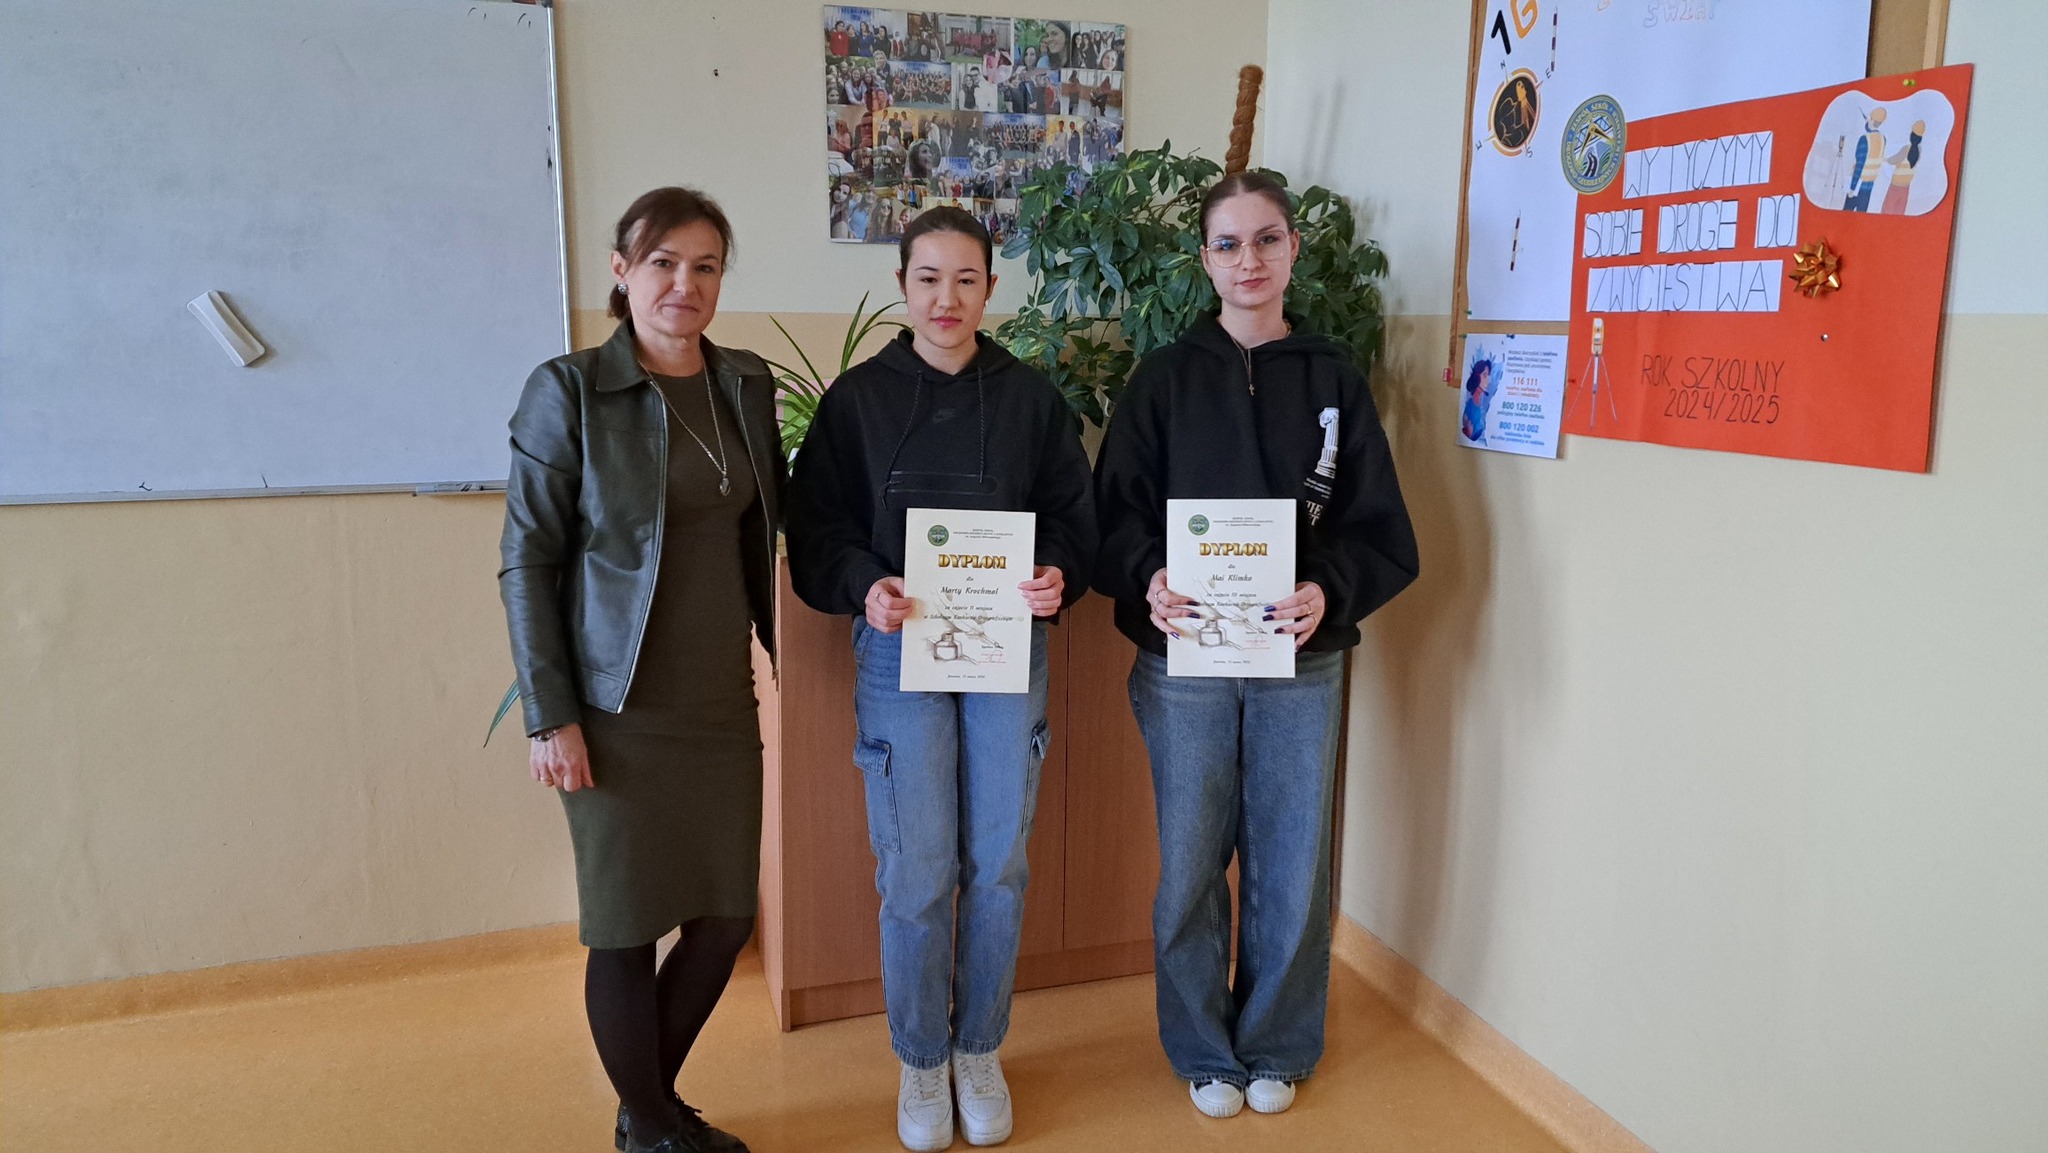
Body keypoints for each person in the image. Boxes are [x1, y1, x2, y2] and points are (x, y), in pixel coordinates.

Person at [1092, 172, 1419, 1122]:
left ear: (1292, 250)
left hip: (1299, 662)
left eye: (1267, 239)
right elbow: (1111, 519)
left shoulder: (1333, 380)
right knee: (1192, 862)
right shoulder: (1162, 379)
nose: (1249, 260)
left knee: (1291, 860)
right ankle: (1203, 1048)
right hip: (1184, 664)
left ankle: (1277, 1040)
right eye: (1229, 244)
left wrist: (1329, 589)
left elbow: (1380, 529)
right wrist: (1149, 576)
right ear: (1205, 260)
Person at [787, 207, 1096, 1152]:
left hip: (1006, 651)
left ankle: (980, 1047)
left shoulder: (1031, 400)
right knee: (916, 868)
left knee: (997, 861)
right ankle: (923, 1056)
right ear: (901, 286)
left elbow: (1073, 520)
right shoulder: (857, 402)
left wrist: (1056, 573)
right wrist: (864, 584)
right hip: (898, 653)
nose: (947, 298)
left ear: (991, 289)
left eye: (967, 279)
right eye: (928, 278)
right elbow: (818, 530)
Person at [500, 187, 786, 1153]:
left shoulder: (744, 383)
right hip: (611, 704)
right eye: (662, 262)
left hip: (720, 702)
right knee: (624, 924)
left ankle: (646, 1108)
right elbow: (527, 558)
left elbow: (768, 529)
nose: (683, 284)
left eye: (705, 266)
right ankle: (655, 1124)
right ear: (622, 272)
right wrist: (551, 713)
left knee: (723, 917)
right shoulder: (571, 389)